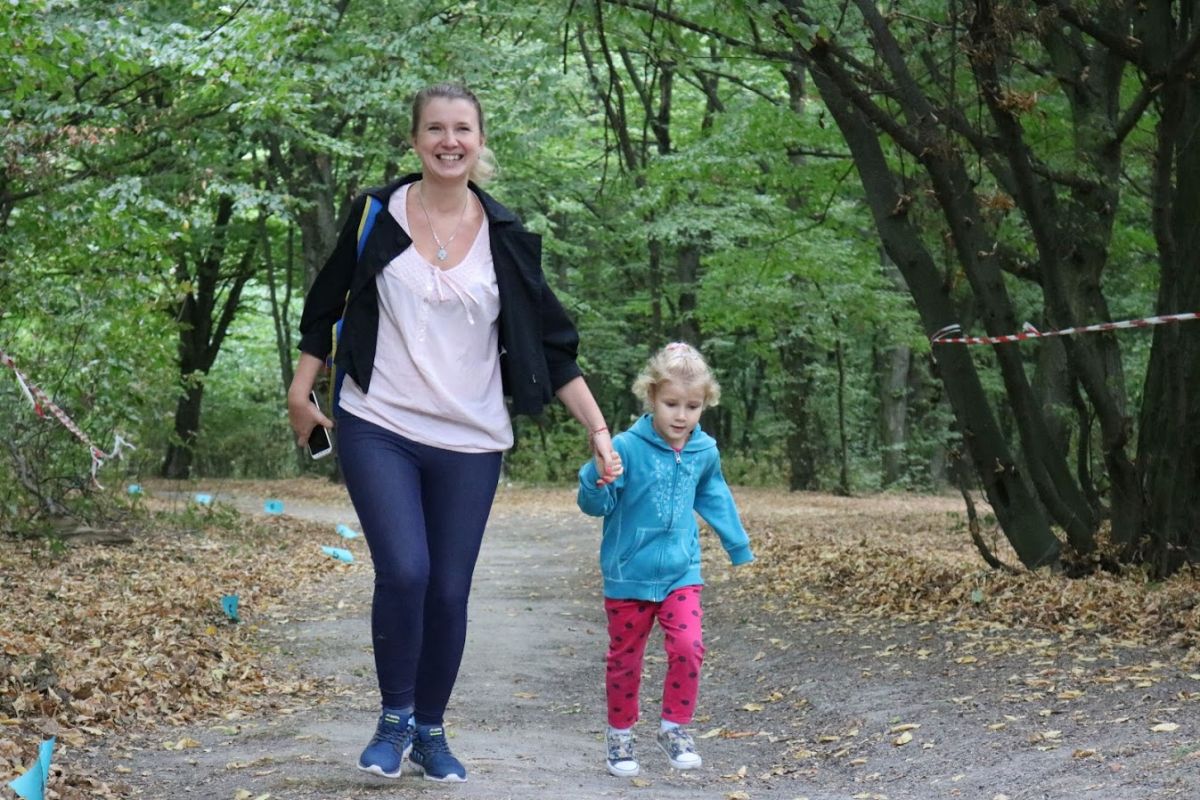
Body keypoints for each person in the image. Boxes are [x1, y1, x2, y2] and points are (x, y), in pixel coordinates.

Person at [287, 82, 620, 783]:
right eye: (435, 129)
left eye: (462, 128)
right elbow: (326, 303)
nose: (449, 141)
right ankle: (393, 720)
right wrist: (301, 388)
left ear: (479, 140)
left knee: (447, 590)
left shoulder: (506, 238)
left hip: (471, 439)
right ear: (415, 140)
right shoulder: (376, 215)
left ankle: (431, 732)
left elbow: (554, 347)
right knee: (405, 570)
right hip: (378, 419)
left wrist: (597, 428)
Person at [576, 342, 754, 778]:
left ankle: (675, 727)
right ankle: (620, 735)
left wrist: (737, 544)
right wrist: (597, 476)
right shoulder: (625, 447)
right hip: (628, 573)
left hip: (681, 571)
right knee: (625, 658)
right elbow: (595, 505)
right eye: (671, 403)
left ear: (705, 404)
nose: (681, 416)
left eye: (692, 406)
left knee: (689, 646)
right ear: (651, 396)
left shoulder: (703, 451)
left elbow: (714, 494)